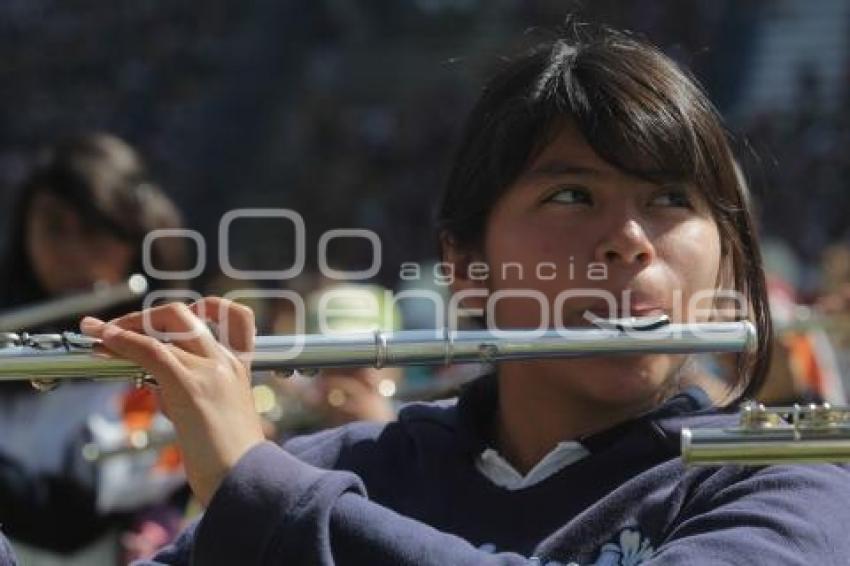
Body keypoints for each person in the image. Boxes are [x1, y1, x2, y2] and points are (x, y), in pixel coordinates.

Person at [82, 24, 850, 565]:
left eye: (672, 199)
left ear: (725, 261)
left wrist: (262, 493)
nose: (630, 239)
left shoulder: (788, 484)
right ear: (466, 265)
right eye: (573, 196)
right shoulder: (344, 467)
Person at [0, 133, 190, 562]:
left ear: (135, 239)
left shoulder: (164, 368)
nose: (72, 252)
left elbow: (64, 517)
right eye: (53, 227)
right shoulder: (9, 345)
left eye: (94, 230)